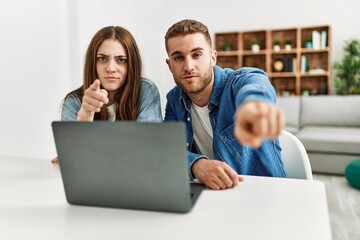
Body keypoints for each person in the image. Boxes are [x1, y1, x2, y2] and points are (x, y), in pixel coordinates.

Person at [164, 19, 286, 190]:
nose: (188, 66)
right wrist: (195, 165)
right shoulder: (174, 100)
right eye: (178, 58)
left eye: (197, 55)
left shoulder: (237, 83)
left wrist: (254, 106)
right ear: (169, 65)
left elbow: (257, 83)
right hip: (212, 197)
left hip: (264, 193)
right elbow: (167, 150)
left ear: (213, 58)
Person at [52, 26, 162, 163]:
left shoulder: (146, 91)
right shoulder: (74, 102)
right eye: (102, 58)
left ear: (131, 65)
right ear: (93, 63)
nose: (110, 68)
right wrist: (85, 115)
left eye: (121, 60)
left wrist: (85, 151)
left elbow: (149, 149)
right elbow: (74, 159)